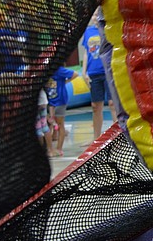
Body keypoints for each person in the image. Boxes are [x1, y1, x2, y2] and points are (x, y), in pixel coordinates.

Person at [82, 9, 113, 139]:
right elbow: (86, 52)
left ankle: (118, 137)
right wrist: (84, 72)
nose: (95, 17)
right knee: (95, 106)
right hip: (94, 73)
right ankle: (97, 138)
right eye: (93, 15)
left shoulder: (107, 29)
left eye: (97, 15)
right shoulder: (88, 32)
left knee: (113, 104)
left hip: (108, 71)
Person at [47, 66, 78, 157]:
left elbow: (75, 74)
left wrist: (65, 82)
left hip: (60, 100)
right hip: (50, 101)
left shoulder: (59, 70)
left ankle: (59, 148)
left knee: (60, 124)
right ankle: (51, 146)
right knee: (50, 123)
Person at [37, 81, 54, 156]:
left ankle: (41, 151)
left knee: (38, 129)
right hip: (43, 101)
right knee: (44, 126)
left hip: (39, 103)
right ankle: (50, 149)